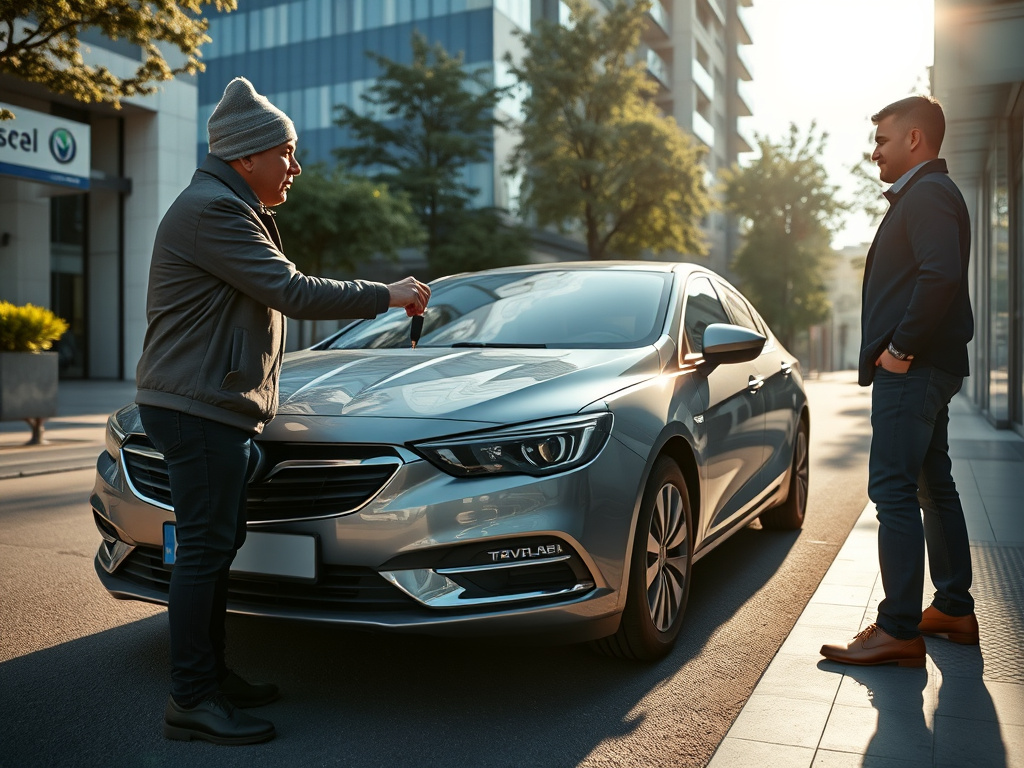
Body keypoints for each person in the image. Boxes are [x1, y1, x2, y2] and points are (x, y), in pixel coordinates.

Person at [135, 77, 430, 744]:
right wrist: (388, 294)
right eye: (288, 154)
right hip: (196, 407)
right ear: (248, 156)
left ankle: (210, 675)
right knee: (205, 554)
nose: (296, 168)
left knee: (216, 548)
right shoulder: (215, 210)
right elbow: (291, 292)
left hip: (211, 406)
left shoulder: (228, 205)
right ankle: (192, 698)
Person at [820, 95, 977, 668]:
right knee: (933, 485)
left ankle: (898, 629)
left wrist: (900, 349)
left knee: (892, 490)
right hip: (928, 367)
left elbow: (938, 275)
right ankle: (954, 609)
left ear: (914, 139)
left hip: (914, 370)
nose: (874, 152)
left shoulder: (929, 193)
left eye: (882, 140)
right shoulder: (927, 194)